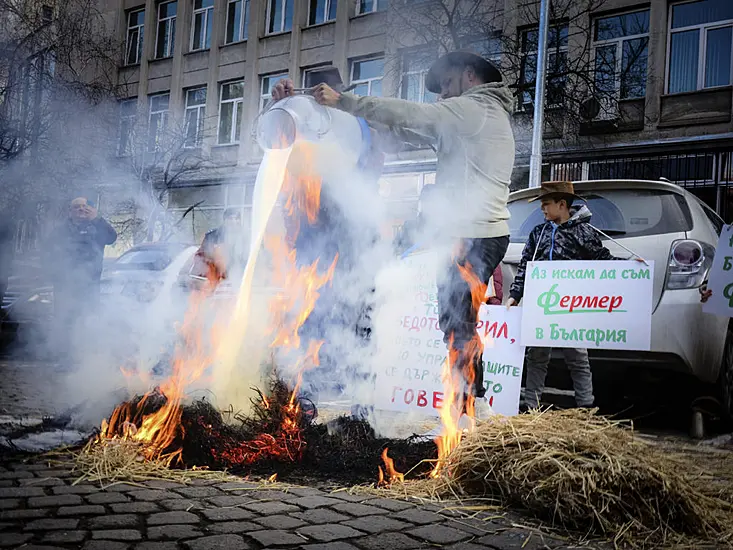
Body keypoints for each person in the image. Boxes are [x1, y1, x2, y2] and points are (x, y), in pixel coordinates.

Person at [273, 50, 515, 419]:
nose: (442, 94)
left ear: (469, 76)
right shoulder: (476, 117)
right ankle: (465, 406)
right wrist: (311, 107)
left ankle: (466, 411)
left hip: (473, 235)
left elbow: (412, 114)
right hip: (473, 234)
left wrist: (346, 101)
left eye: (447, 84)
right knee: (456, 325)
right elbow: (402, 130)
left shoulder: (474, 110)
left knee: (458, 326)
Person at [507, 181, 627, 411]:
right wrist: (515, 294)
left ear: (561, 204)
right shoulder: (538, 233)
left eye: (546, 204)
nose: (542, 209)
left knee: (577, 356)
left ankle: (586, 407)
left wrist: (630, 268)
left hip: (572, 307)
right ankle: (532, 407)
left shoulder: (583, 232)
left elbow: (603, 260)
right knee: (537, 355)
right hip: (542, 306)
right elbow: (526, 264)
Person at [49, 197, 117, 358]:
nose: (81, 209)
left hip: (90, 285)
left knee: (88, 320)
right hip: (65, 286)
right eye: (77, 207)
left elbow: (112, 238)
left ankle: (87, 358)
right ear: (70, 211)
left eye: (85, 207)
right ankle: (66, 358)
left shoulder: (97, 226)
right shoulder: (61, 230)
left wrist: (97, 219)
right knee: (66, 322)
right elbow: (49, 251)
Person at [190, 208, 248, 286]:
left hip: (240, 281)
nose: (233, 222)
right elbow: (201, 256)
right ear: (224, 220)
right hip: (216, 281)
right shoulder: (212, 237)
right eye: (230, 218)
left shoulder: (246, 237)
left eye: (236, 219)